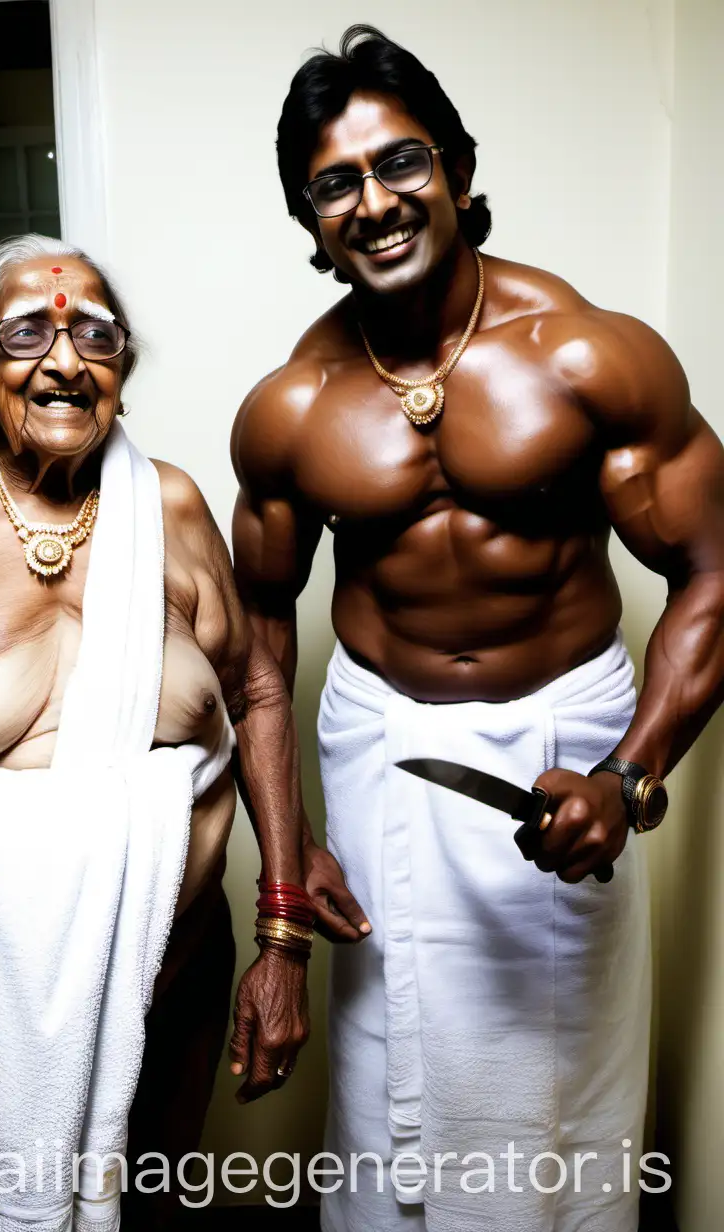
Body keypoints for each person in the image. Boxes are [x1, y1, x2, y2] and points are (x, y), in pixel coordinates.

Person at [231, 25, 724, 1232]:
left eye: (400, 162)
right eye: (335, 183)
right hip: (380, 740)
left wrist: (630, 774)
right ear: (309, 222)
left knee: (560, 1068)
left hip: (567, 728)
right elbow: (255, 636)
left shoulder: (584, 356)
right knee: (384, 1056)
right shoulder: (293, 407)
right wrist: (287, 860)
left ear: (452, 166)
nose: (375, 201)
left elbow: (714, 569)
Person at [0, 234, 312, 1232]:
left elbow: (255, 692)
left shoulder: (167, 506)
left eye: (97, 337)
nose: (66, 361)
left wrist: (281, 937)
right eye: (29, 331)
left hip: (171, 972)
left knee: (149, 1209)